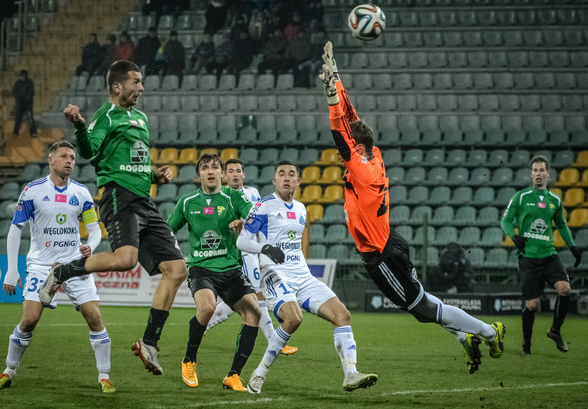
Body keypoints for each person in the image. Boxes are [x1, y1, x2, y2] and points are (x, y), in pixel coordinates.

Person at [319, 41, 505, 374]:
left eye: (349, 146)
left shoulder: (360, 168)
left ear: (356, 146)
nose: (341, 153)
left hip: (381, 255)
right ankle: (468, 342)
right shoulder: (372, 156)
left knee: (422, 308)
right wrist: (337, 80)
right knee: (425, 301)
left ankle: (489, 332)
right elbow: (351, 120)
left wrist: (331, 99)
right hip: (392, 241)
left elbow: (339, 131)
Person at [42, 60, 187, 377]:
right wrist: (79, 124)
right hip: (119, 196)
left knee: (177, 270)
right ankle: (64, 271)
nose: (142, 87)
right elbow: (91, 151)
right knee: (126, 260)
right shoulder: (105, 116)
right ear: (118, 86)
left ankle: (149, 342)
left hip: (144, 201)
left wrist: (155, 175)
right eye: (136, 81)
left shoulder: (141, 117)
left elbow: (135, 160)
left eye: (141, 81)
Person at [237, 160, 378, 394]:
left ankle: (351, 373)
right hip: (274, 274)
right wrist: (266, 249)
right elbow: (242, 241)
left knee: (342, 315)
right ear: (274, 181)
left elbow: (292, 245)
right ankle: (260, 372)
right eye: (281, 173)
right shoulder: (263, 206)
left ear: (298, 181)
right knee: (293, 319)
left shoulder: (301, 209)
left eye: (291, 174)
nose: (286, 177)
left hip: (302, 275)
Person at [0, 141, 115, 393]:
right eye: (64, 156)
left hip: (74, 264)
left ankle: (104, 376)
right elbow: (15, 229)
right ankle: (8, 371)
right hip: (41, 265)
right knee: (30, 319)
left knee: (95, 317)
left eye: (73, 158)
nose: (70, 161)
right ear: (51, 160)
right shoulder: (32, 190)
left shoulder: (81, 192)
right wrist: (12, 270)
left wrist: (92, 244)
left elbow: (93, 229)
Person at [166, 153, 261, 391]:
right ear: (198, 175)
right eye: (205, 168)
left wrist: (244, 222)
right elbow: (167, 230)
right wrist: (173, 258)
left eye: (215, 167)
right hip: (201, 268)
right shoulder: (187, 202)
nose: (211, 171)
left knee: (254, 313)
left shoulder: (234, 196)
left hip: (231, 268)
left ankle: (233, 375)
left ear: (222, 173)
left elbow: (255, 217)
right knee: (207, 308)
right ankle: (189, 359)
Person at [206, 159, 298, 356]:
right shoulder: (220, 197)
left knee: (245, 298)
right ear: (225, 176)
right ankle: (275, 340)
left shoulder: (253, 193)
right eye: (230, 171)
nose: (235, 174)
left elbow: (257, 218)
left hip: (253, 250)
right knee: (257, 295)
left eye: (238, 170)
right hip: (236, 252)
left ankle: (204, 323)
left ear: (244, 174)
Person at [501, 155, 582, 357]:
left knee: (565, 289)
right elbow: (506, 221)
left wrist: (573, 248)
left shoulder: (555, 200)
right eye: (535, 170)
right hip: (529, 258)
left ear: (548, 173)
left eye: (541, 170)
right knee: (533, 305)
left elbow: (562, 225)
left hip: (549, 255)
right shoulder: (521, 197)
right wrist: (514, 237)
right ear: (531, 174)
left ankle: (555, 331)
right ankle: (526, 342)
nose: (538, 174)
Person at [12, 69, 37, 138]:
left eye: (22, 76)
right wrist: (19, 99)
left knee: (30, 118)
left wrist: (26, 100)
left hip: (28, 104)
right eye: (20, 76)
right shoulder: (17, 83)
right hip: (20, 104)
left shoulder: (29, 83)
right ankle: (15, 132)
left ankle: (33, 132)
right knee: (18, 118)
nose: (21, 77)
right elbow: (14, 92)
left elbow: (31, 93)